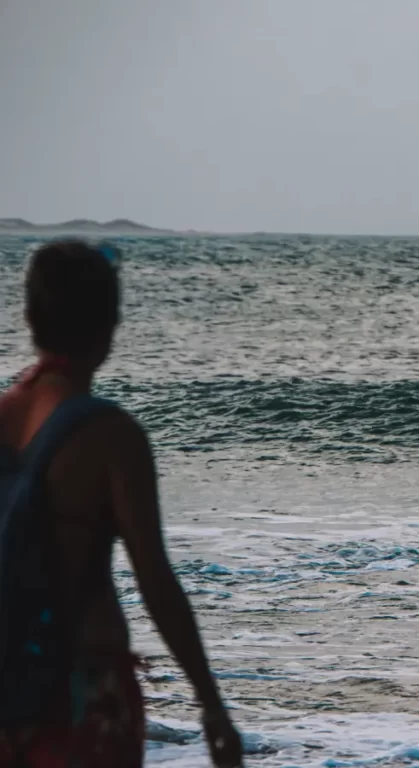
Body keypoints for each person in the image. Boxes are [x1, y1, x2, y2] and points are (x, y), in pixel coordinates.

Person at [0, 240, 242, 767]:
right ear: (109, 327)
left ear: (30, 317)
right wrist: (211, 704)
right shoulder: (111, 437)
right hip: (85, 693)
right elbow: (154, 582)